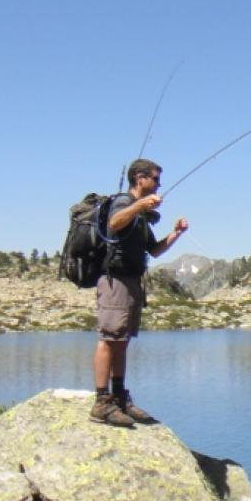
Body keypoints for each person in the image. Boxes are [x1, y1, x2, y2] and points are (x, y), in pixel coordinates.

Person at [90, 158, 188, 427]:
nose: (159, 185)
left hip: (133, 281)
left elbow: (154, 250)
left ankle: (120, 397)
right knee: (108, 338)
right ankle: (101, 402)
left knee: (122, 340)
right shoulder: (123, 202)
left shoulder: (141, 215)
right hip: (115, 281)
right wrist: (138, 206)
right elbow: (114, 223)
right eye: (156, 179)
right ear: (140, 178)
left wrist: (176, 233)